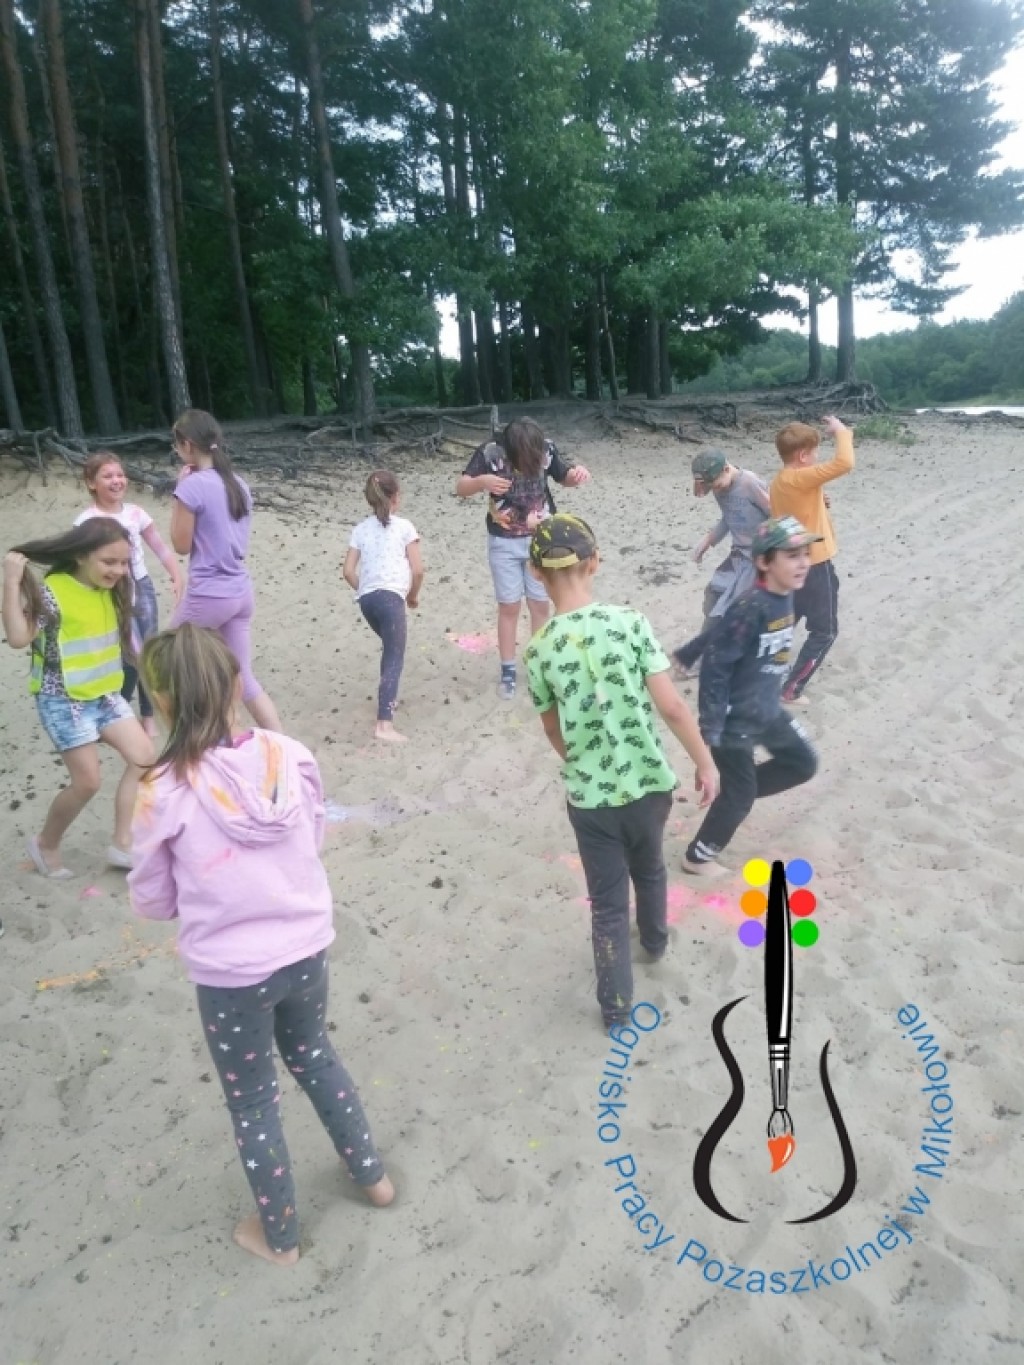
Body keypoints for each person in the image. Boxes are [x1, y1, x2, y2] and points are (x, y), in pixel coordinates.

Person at [129, 624, 394, 1266]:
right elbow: (312, 836)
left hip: (231, 975)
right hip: (306, 947)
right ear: (234, 685)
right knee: (315, 1055)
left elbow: (153, 899)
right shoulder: (288, 754)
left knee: (252, 1101)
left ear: (160, 701)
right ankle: (372, 1177)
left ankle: (279, 1238)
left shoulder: (163, 789)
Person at [523, 513, 719, 1031]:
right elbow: (672, 707)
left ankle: (614, 1006)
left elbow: (552, 729)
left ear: (536, 572)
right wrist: (704, 762)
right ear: (595, 562)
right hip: (648, 784)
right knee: (650, 868)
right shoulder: (629, 622)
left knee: (607, 903)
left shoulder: (539, 649)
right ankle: (654, 941)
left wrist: (580, 762)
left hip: (591, 800)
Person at [2, 519, 154, 877]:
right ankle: (46, 844)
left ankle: (122, 843)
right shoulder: (53, 593)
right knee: (87, 782)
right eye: (109, 562)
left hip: (104, 694)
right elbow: (19, 638)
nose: (118, 570)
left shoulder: (112, 589)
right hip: (63, 700)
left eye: (123, 562)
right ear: (81, 556)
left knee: (145, 758)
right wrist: (10, 582)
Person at [682, 516, 820, 877]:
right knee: (740, 794)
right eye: (792, 555)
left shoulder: (784, 596)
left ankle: (735, 794)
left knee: (803, 763)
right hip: (733, 720)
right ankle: (697, 857)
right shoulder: (752, 606)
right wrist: (710, 726)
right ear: (763, 562)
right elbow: (716, 665)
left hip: (766, 709)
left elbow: (719, 633)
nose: (803, 563)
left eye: (805, 554)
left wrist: (685, 653)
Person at [455, 417, 591, 700]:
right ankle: (508, 670)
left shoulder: (546, 448)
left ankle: (539, 664)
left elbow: (563, 476)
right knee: (509, 606)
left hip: (541, 539)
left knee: (540, 604)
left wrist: (576, 475)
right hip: (503, 542)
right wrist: (481, 481)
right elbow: (461, 487)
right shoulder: (491, 452)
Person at [169, 408, 281, 731]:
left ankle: (201, 737)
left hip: (210, 592)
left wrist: (179, 493)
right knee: (244, 678)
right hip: (240, 591)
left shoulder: (192, 487)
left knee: (164, 659)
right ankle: (283, 745)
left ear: (188, 445)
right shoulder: (238, 483)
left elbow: (180, 544)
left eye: (176, 444)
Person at [74, 451, 183, 737]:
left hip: (141, 586)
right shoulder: (87, 520)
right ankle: (116, 709)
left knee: (148, 649)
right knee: (128, 655)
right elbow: (78, 563)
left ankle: (148, 714)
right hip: (109, 592)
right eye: (107, 476)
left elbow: (159, 546)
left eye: (120, 474)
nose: (117, 480)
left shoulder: (135, 513)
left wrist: (176, 574)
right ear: (91, 483)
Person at [769, 414, 855, 704]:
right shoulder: (801, 477)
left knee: (786, 623)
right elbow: (845, 463)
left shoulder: (780, 482)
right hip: (815, 565)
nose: (818, 457)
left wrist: (820, 500)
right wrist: (841, 432)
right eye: (815, 452)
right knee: (825, 631)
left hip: (791, 564)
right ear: (803, 456)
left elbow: (791, 513)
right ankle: (791, 689)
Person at [672, 449, 770, 677]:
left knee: (728, 609)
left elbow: (776, 512)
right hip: (738, 555)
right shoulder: (719, 488)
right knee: (713, 597)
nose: (715, 490)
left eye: (715, 485)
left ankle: (703, 659)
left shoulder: (749, 483)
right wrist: (707, 541)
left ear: (726, 469)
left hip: (758, 556)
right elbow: (728, 517)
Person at [342, 470, 424, 742]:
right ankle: (384, 725)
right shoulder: (405, 527)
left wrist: (364, 588)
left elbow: (348, 571)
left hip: (367, 601)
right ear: (396, 497)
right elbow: (418, 570)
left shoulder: (360, 529)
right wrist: (412, 596)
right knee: (394, 656)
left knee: (390, 649)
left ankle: (387, 699)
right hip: (391, 599)